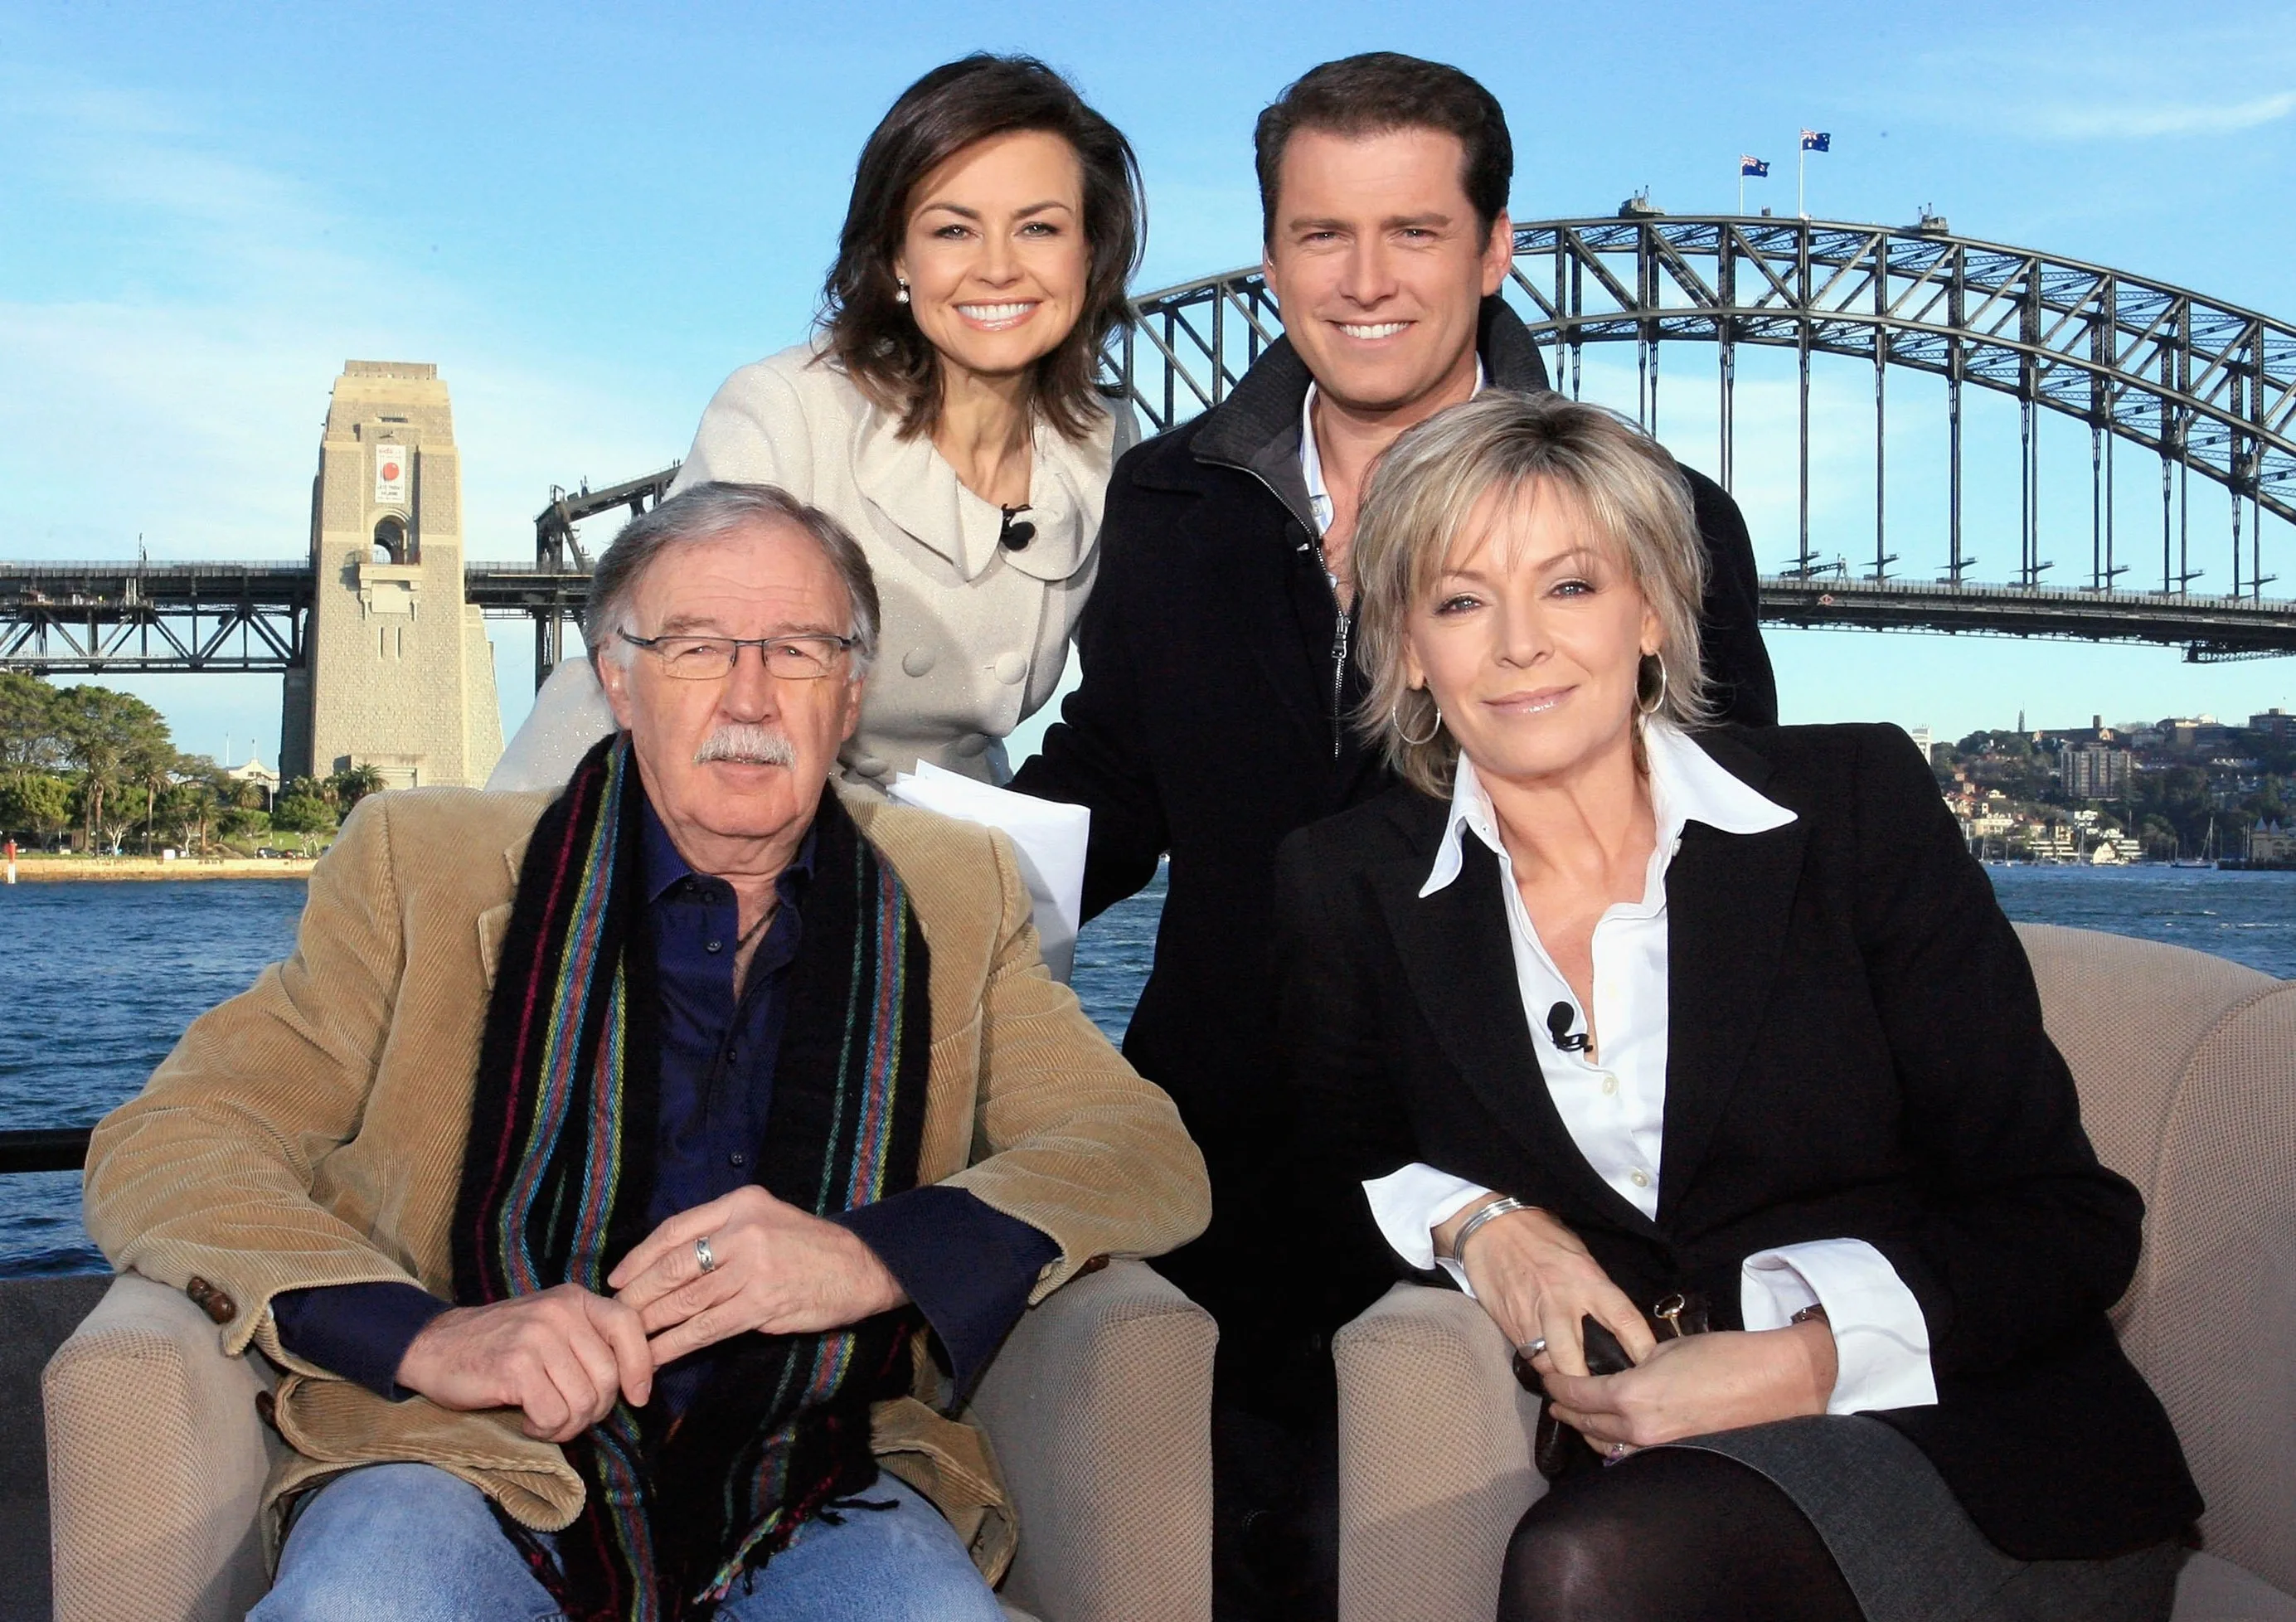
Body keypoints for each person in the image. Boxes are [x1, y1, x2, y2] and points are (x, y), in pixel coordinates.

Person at [84, 482, 1210, 1621]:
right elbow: (170, 1143)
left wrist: (870, 1258)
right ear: (618, 679)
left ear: (854, 689)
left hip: (816, 1469)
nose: (751, 695)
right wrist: (427, 1336)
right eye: (696, 647)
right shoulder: (422, 867)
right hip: (454, 1456)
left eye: (802, 649)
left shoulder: (953, 893)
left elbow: (1136, 1151)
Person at [1007, 51, 1776, 1616]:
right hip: (1231, 1146)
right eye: (1317, 235)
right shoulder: (1167, 501)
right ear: (1271, 251)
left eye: (1413, 234)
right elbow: (1111, 791)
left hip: (1531, 1132)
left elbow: (1727, 863)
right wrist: (874, 914)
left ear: (1493, 251)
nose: (1363, 285)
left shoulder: (1650, 516)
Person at [1273, 391, 2200, 1622]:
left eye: (1570, 587)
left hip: (1963, 1449)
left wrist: (1804, 1359)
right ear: (1402, 650)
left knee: (1590, 1567)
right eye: (1457, 600)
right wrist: (1478, 1223)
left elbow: (2069, 1222)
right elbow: (1309, 1177)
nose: (1516, 645)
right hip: (1646, 1480)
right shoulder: (1350, 883)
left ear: (1652, 610)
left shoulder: (1854, 808)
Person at [491, 54, 1143, 794]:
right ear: (898, 256)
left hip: (946, 839)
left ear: (1088, 253)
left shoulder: (1105, 443)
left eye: (1037, 228)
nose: (997, 268)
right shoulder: (783, 411)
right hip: (679, 801)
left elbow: (1141, 699)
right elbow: (691, 682)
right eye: (953, 231)